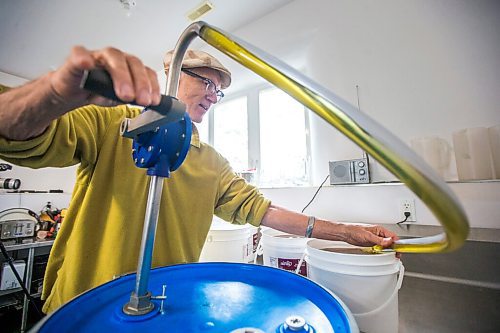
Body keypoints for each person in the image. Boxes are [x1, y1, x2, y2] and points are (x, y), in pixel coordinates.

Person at [0, 46, 398, 314]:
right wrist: (55, 92)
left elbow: (264, 210)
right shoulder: (113, 123)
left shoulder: (212, 163)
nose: (213, 94)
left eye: (220, 90)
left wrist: (346, 232)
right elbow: (17, 134)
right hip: (82, 306)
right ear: (171, 74)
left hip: (161, 307)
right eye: (205, 82)